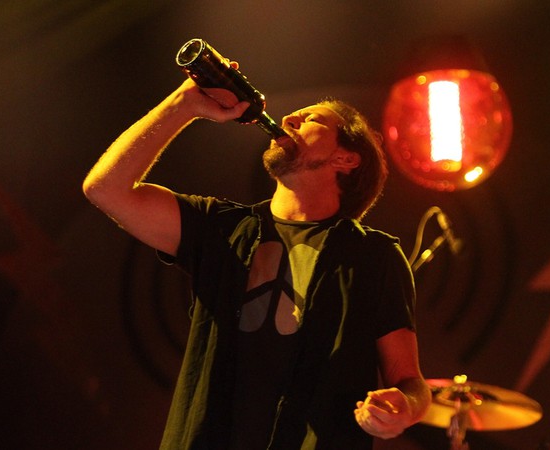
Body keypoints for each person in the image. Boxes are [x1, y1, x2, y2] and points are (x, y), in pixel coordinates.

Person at [82, 64, 431, 449]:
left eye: (312, 118)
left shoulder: (375, 257)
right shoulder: (219, 227)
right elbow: (105, 188)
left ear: (346, 159)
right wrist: (183, 104)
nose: (289, 117)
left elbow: (409, 381)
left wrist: (403, 405)